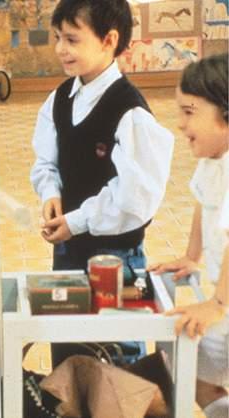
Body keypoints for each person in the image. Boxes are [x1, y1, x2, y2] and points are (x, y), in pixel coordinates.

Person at [29, 0, 174, 366]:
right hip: (68, 252)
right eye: (58, 37)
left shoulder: (130, 111)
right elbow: (46, 161)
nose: (61, 49)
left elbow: (135, 199)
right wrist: (50, 193)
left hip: (115, 258)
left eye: (72, 39)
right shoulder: (60, 99)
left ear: (109, 40)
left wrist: (77, 221)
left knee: (115, 360)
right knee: (70, 352)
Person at [149, 53, 229, 418]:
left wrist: (217, 304)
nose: (180, 124)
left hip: (225, 300)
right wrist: (190, 256)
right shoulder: (213, 160)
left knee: (186, 353)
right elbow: (202, 202)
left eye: (190, 112)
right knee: (183, 358)